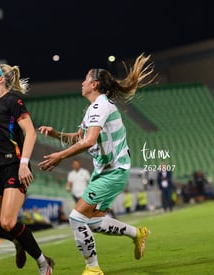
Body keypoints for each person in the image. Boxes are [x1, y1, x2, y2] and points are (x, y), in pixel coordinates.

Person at [38, 53, 155, 274]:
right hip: (105, 172)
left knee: (76, 218)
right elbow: (80, 137)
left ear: (94, 84)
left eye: (85, 80)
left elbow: (89, 141)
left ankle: (93, 269)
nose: (81, 83)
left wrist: (61, 156)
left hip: (114, 172)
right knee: (92, 222)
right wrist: (54, 134)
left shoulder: (101, 106)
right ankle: (137, 233)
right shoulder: (93, 108)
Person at [0, 63, 54, 274]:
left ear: (1, 80)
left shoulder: (12, 100)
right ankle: (18, 241)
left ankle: (44, 262)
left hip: (13, 167)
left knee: (8, 222)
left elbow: (31, 133)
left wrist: (24, 165)